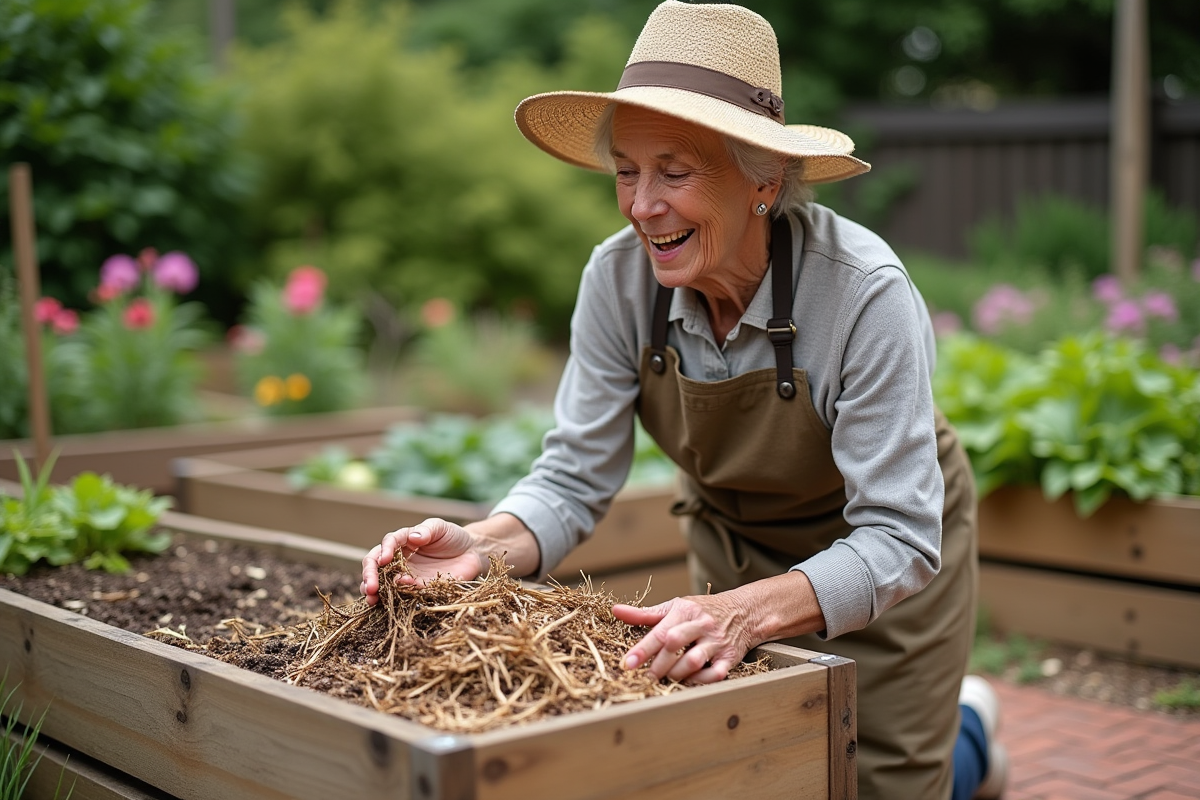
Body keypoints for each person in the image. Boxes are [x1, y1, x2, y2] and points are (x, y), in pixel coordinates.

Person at [361, 2, 1008, 798]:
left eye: (674, 171)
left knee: (881, 782)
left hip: (881, 570)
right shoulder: (617, 280)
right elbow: (572, 479)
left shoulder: (863, 294)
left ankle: (969, 735)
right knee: (748, 771)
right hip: (734, 548)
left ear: (763, 179)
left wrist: (744, 613)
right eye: (627, 171)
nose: (640, 205)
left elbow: (901, 534)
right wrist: (479, 549)